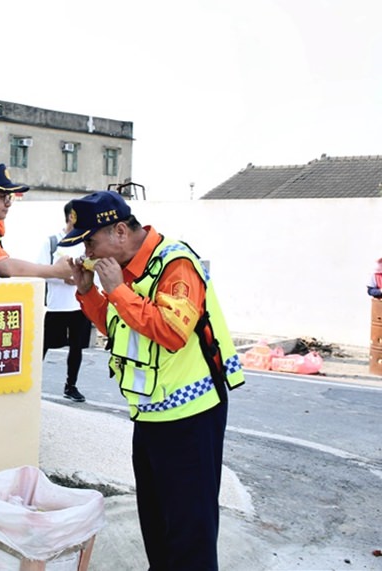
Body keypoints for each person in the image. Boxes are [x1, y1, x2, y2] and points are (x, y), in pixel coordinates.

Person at [62, 189, 245, 571]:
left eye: (91, 243)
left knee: (189, 530)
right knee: (158, 524)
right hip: (150, 417)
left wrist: (116, 291)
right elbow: (120, 330)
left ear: (119, 233)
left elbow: (172, 332)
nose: (88, 254)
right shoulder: (123, 274)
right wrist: (88, 292)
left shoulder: (176, 264)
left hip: (190, 418)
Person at [36, 201, 94, 403]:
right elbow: (41, 271)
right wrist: (64, 278)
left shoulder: (86, 244)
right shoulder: (53, 242)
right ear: (70, 216)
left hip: (79, 305)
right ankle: (32, 382)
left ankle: (71, 386)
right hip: (57, 305)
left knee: (76, 348)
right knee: (43, 346)